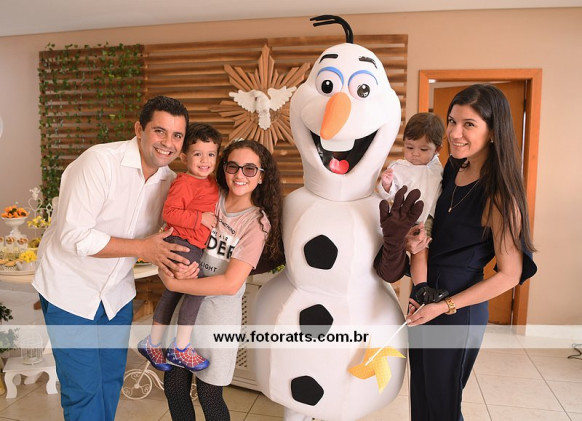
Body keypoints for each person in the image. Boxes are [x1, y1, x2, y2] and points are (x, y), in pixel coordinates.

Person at [32, 96, 193, 421]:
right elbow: (74, 236)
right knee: (84, 391)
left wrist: (181, 264)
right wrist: (142, 248)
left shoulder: (170, 183)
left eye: (177, 135)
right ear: (139, 130)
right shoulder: (99, 163)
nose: (168, 143)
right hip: (69, 291)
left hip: (116, 295)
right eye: (160, 131)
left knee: (109, 383)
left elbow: (163, 241)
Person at [404, 84, 537, 420]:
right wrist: (419, 273)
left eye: (469, 124)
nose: (454, 133)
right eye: (452, 121)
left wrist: (443, 306)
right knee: (421, 400)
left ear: (493, 131)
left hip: (457, 309)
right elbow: (431, 228)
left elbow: (510, 274)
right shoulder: (452, 168)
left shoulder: (500, 194)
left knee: (443, 407)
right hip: (424, 296)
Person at [158, 139, 283, 421]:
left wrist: (175, 284)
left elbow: (230, 283)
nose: (239, 175)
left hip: (217, 318)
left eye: (250, 169)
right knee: (174, 388)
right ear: (223, 168)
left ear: (261, 176)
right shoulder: (209, 196)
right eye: (233, 166)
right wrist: (167, 270)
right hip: (183, 311)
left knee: (209, 395)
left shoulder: (256, 223)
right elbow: (173, 235)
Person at [138, 123, 221, 373]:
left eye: (211, 154)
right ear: (184, 157)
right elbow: (170, 213)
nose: (205, 160)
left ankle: (153, 343)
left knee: (174, 292)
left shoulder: (212, 182)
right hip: (182, 243)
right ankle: (181, 347)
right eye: (198, 154)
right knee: (198, 288)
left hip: (193, 245)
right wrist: (200, 219)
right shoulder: (185, 182)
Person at [378, 112, 444, 291]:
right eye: (409, 147)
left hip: (429, 217)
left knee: (423, 252)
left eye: (423, 150)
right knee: (413, 250)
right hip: (405, 217)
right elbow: (387, 195)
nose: (415, 154)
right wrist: (386, 184)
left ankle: (421, 283)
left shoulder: (437, 167)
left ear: (437, 150)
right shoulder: (398, 167)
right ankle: (420, 285)